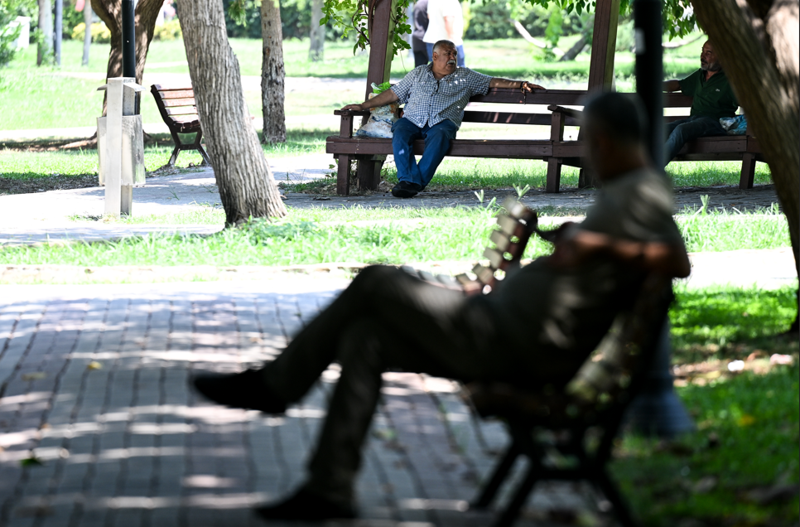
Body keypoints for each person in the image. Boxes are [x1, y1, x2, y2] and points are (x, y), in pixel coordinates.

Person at [191, 91, 691, 523]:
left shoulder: (642, 189)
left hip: (510, 343)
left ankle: (278, 385)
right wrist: (581, 240)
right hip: (503, 331)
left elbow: (676, 259)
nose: (587, 151)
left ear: (604, 139)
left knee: (377, 282)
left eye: (587, 140)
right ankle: (329, 487)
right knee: (366, 339)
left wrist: (597, 248)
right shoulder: (629, 191)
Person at [342, 40, 544, 198]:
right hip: (412, 119)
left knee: (439, 136)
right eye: (448, 53)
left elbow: (493, 81)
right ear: (435, 55)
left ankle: (411, 184)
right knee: (400, 132)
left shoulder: (466, 76)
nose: (452, 57)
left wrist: (520, 84)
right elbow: (394, 94)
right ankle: (410, 181)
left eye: (454, 53)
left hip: (442, 122)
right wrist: (362, 106)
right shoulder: (418, 73)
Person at [663, 40, 739, 166]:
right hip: (694, 120)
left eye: (708, 53)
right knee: (662, 130)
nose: (703, 56)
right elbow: (678, 84)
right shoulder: (700, 75)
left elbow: (748, 103)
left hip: (716, 122)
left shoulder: (730, 80)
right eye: (702, 51)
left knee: (681, 130)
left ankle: (654, 169)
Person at [423, 0, 466, 67]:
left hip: (432, 39)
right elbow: (448, 19)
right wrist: (452, 40)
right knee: (459, 73)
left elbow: (429, 16)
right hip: (447, 41)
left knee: (437, 73)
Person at [412, 0, 430, 67]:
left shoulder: (418, 3)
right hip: (426, 38)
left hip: (417, 38)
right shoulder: (429, 3)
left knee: (419, 71)